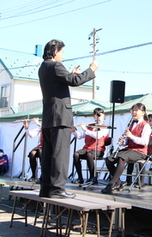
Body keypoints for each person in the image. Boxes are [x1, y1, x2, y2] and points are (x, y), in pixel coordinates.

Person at [38, 39, 99, 198]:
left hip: (49, 117)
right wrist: (90, 70)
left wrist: (70, 74)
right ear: (55, 51)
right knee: (60, 154)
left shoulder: (43, 67)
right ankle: (58, 189)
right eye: (62, 52)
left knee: (48, 154)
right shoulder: (56, 65)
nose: (63, 56)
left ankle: (46, 189)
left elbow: (63, 80)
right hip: (61, 117)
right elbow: (74, 81)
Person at [101, 103, 150, 194]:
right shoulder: (131, 124)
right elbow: (128, 141)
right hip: (129, 149)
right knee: (109, 159)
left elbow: (144, 142)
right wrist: (123, 141)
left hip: (140, 151)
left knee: (121, 158)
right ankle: (118, 182)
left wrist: (131, 136)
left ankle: (111, 184)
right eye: (133, 110)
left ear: (143, 112)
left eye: (136, 110)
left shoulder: (146, 125)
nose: (134, 112)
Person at [72, 108, 109, 185]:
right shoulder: (90, 126)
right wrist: (74, 131)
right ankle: (80, 178)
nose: (98, 117)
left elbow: (97, 136)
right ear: (94, 116)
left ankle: (93, 177)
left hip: (98, 149)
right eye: (96, 115)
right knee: (76, 154)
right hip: (87, 148)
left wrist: (86, 130)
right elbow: (79, 136)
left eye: (100, 115)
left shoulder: (104, 127)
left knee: (89, 155)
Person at [125, 113, 152, 187]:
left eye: (150, 121)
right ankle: (128, 180)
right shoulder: (144, 128)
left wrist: (140, 140)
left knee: (141, 161)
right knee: (130, 159)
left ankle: (141, 181)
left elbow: (151, 142)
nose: (149, 123)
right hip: (143, 150)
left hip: (151, 153)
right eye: (147, 121)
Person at [23, 118, 43, 182]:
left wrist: (37, 123)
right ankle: (34, 176)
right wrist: (26, 127)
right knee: (32, 154)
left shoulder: (49, 125)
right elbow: (32, 135)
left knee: (41, 152)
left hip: (48, 145)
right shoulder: (41, 127)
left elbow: (45, 129)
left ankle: (43, 175)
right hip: (41, 145)